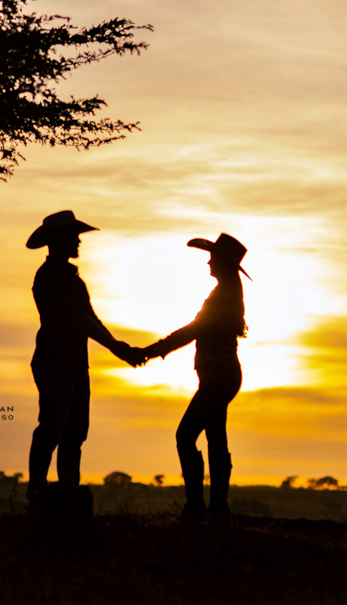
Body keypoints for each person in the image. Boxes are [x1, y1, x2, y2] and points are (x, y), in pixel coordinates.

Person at [133, 233, 250, 519]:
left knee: (187, 435)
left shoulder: (224, 294)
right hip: (223, 373)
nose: (208, 261)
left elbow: (194, 329)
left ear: (222, 262)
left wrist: (152, 351)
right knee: (214, 436)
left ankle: (199, 506)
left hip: (218, 374)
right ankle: (214, 507)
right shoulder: (228, 292)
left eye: (212, 257)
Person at [26, 210, 138, 502]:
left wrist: (117, 346)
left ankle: (67, 491)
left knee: (73, 432)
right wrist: (118, 349)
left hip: (73, 363)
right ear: (58, 239)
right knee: (53, 426)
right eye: (73, 236)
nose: (78, 241)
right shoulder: (50, 276)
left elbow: (90, 318)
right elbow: (80, 319)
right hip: (55, 361)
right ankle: (37, 489)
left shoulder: (73, 279)